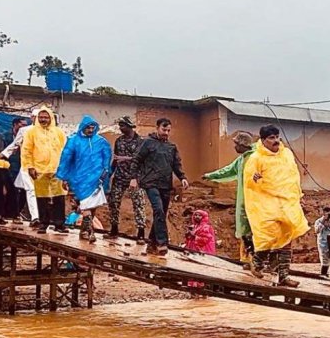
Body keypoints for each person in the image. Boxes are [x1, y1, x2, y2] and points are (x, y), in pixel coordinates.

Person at [243, 125, 308, 287]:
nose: (276, 141)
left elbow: (294, 176)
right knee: (270, 234)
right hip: (266, 203)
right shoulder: (256, 158)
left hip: (287, 201)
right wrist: (255, 178)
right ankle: (258, 261)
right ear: (263, 141)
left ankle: (284, 276)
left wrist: (298, 195)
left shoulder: (287, 154)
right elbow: (249, 181)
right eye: (271, 138)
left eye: (277, 137)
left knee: (289, 234)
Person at [131, 117, 189, 256]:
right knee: (158, 210)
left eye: (168, 130)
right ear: (157, 128)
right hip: (150, 183)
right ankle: (162, 242)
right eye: (164, 129)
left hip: (165, 184)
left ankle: (151, 242)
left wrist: (182, 178)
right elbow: (136, 161)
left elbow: (176, 164)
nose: (166, 133)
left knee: (161, 212)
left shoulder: (171, 147)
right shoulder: (147, 143)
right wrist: (133, 178)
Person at [55, 115, 112, 242]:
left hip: (96, 179)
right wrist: (64, 177)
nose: (90, 130)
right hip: (80, 179)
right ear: (82, 127)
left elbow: (107, 157)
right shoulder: (74, 141)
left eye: (93, 128)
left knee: (93, 207)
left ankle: (85, 231)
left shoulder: (100, 141)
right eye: (88, 128)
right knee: (86, 205)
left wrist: (105, 171)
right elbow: (66, 159)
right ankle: (87, 232)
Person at [202, 131, 256, 265]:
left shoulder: (255, 158)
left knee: (256, 230)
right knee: (245, 231)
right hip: (244, 201)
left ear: (243, 144)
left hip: (256, 202)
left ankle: (257, 261)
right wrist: (211, 175)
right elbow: (228, 170)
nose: (234, 147)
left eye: (236, 144)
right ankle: (247, 260)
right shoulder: (242, 159)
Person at [22, 106, 68, 233]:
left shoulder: (58, 132)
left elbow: (65, 151)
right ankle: (43, 224)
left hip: (57, 169)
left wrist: (65, 168)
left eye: (46, 117)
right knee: (42, 198)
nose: (43, 119)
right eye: (41, 117)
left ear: (51, 118)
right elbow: (26, 151)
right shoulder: (31, 132)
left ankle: (59, 224)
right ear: (37, 118)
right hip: (39, 169)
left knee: (59, 197)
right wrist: (30, 167)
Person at [107, 116, 146, 242]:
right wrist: (109, 173)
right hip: (119, 177)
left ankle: (141, 233)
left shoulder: (140, 141)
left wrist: (126, 159)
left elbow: (142, 160)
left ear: (130, 126)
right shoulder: (118, 141)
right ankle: (113, 229)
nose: (120, 128)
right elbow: (116, 158)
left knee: (138, 204)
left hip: (135, 178)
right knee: (113, 202)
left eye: (123, 126)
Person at [0, 112, 40, 225]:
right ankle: (34, 217)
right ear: (33, 118)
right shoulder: (25, 131)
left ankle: (19, 214)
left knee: (25, 192)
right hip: (24, 166)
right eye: (39, 117)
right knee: (28, 191)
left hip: (42, 167)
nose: (42, 119)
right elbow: (13, 146)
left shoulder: (51, 132)